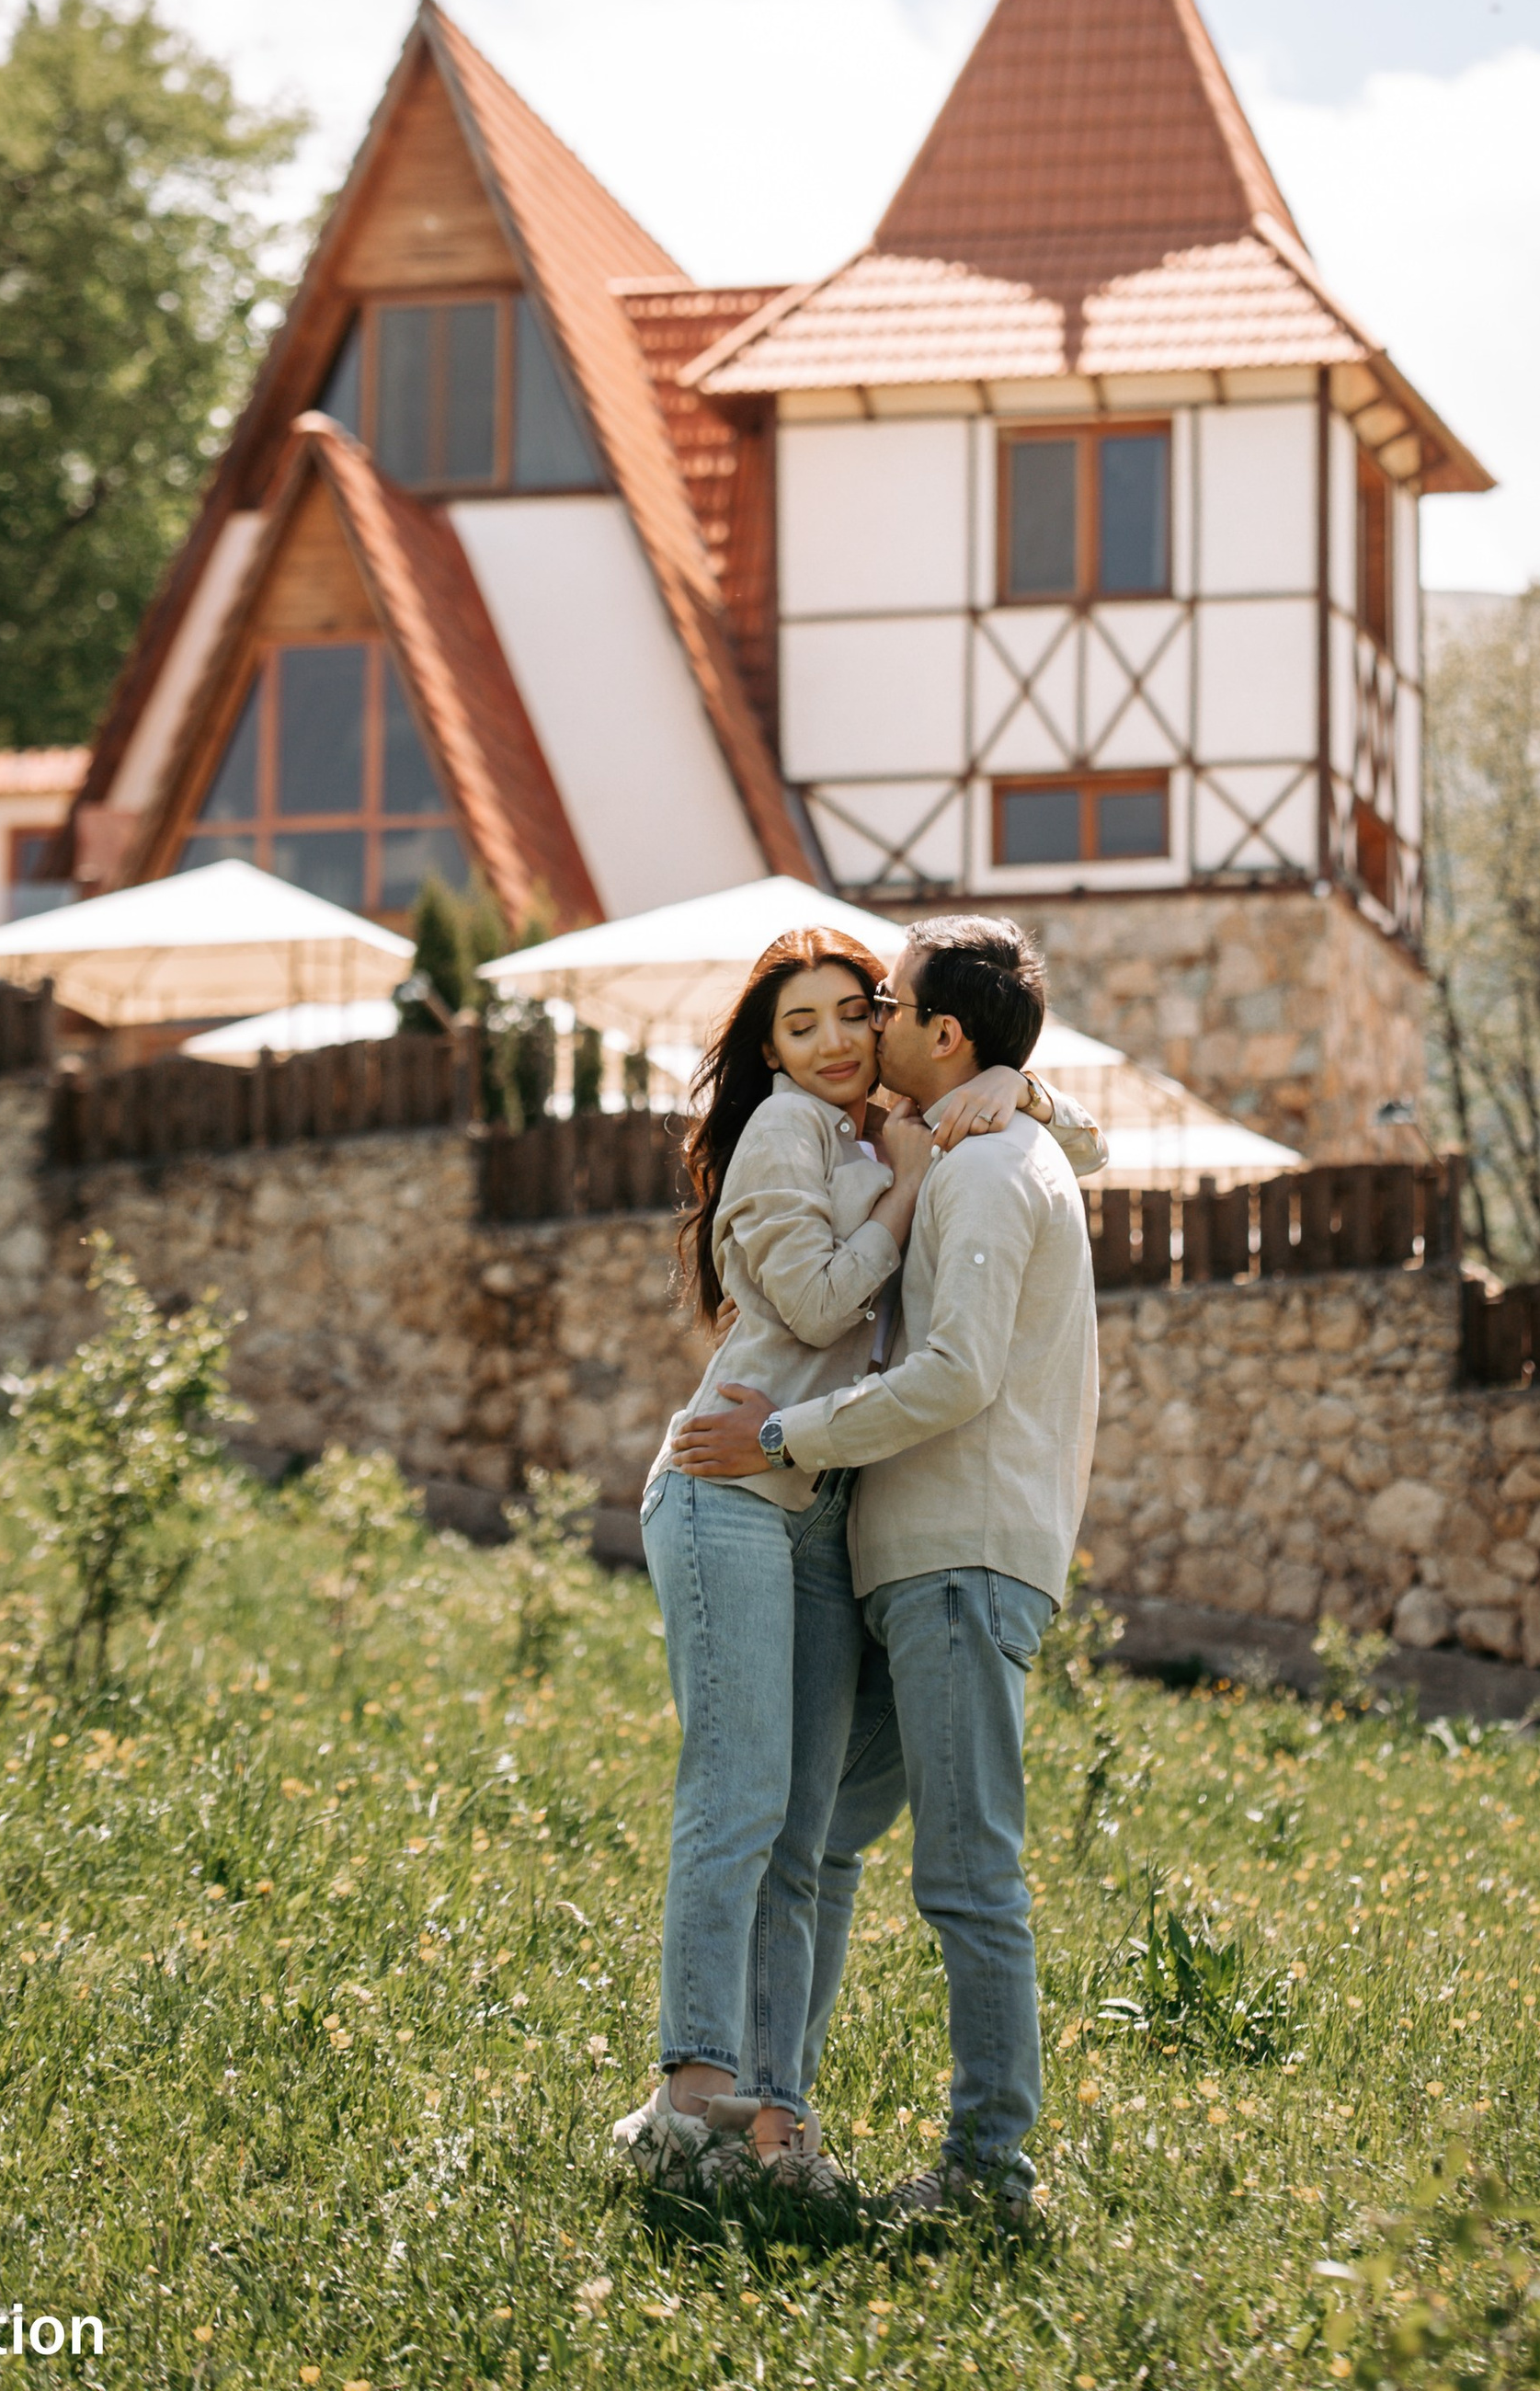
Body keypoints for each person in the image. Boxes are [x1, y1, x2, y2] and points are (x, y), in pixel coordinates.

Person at [612, 926, 1101, 2194]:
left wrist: (1020, 1086)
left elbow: (1062, 1159)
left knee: (835, 1841)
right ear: (768, 1053)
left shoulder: (942, 1141)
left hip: (843, 1509)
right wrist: (918, 1168)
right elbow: (828, 1306)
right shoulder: (812, 1135)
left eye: (868, 1008)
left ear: (935, 1034)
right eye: (810, 1023)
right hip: (746, 1483)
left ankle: (803, 2127)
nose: (848, 1035)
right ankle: (702, 2091)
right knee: (762, 1804)